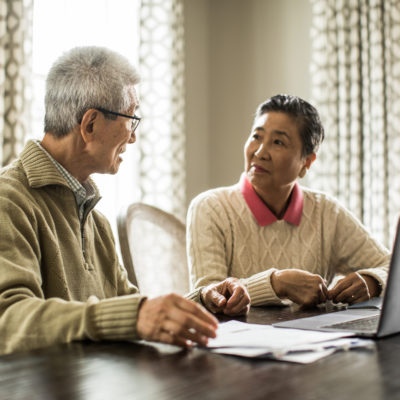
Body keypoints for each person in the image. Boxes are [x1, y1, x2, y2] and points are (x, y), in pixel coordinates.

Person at [0, 46, 249, 355]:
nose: (133, 136)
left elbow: (129, 311)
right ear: (90, 124)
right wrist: (133, 315)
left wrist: (205, 302)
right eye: (131, 117)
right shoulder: (8, 200)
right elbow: (7, 320)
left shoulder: (95, 221)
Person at [187, 94, 390, 309]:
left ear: (307, 162)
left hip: (315, 340)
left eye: (278, 142)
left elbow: (390, 266)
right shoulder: (210, 208)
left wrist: (373, 281)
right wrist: (275, 284)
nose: (260, 152)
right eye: (256, 136)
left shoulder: (327, 212)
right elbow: (207, 298)